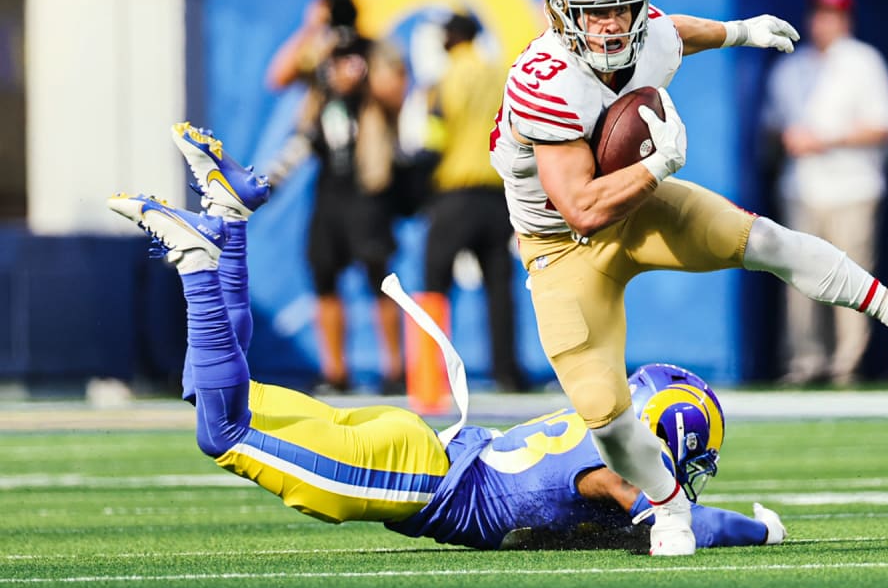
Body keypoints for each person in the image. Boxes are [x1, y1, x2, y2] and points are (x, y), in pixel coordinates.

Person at [489, 0, 888, 556]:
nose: (613, 26)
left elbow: (676, 32)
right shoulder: (545, 81)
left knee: (763, 238)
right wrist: (658, 166)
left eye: (624, 8)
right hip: (561, 245)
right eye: (596, 13)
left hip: (636, 209)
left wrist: (741, 31)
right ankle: (669, 510)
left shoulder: (651, 35)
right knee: (606, 418)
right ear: (563, 13)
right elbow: (581, 208)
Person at [104, 132, 786, 550]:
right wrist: (764, 529)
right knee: (221, 429)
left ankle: (229, 220)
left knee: (222, 400)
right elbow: (684, 521)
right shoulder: (621, 473)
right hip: (417, 478)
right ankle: (201, 261)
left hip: (423, 450)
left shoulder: (604, 425)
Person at [264, 0, 409, 396]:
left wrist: (358, 78)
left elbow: (396, 93)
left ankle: (394, 369)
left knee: (379, 275)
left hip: (368, 180)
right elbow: (278, 76)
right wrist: (312, 29)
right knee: (324, 275)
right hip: (328, 180)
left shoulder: (376, 48)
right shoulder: (320, 50)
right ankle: (336, 370)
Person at [761, 0, 888, 387]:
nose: (822, 22)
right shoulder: (791, 67)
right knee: (799, 279)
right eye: (818, 13)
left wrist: (827, 140)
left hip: (853, 188)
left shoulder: (864, 62)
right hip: (801, 188)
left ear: (845, 19)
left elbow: (886, 125)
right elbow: (771, 127)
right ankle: (804, 362)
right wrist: (787, 139)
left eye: (831, 14)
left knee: (851, 277)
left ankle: (847, 363)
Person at [420, 13, 525, 392]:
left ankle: (430, 378)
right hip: (496, 195)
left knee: (434, 285)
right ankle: (508, 373)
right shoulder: (499, 74)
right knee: (499, 289)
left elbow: (435, 136)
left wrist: (415, 181)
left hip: (455, 193)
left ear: (451, 37)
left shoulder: (447, 77)